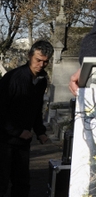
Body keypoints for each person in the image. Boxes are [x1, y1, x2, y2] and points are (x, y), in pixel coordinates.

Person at [0, 40, 54, 197]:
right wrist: (16, 131)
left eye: (45, 62)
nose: (41, 65)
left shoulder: (41, 80)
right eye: (38, 60)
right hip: (3, 139)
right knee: (1, 183)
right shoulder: (13, 78)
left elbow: (36, 108)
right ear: (29, 56)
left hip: (22, 141)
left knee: (22, 184)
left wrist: (40, 131)